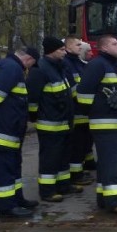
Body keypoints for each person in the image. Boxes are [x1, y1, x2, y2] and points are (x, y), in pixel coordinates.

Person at [76, 35, 117, 215]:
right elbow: (84, 94)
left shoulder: (111, 65)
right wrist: (98, 110)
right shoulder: (98, 65)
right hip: (105, 123)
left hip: (112, 122)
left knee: (107, 163)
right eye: (114, 44)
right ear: (104, 48)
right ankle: (115, 201)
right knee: (114, 163)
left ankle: (104, 197)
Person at [26, 36, 78, 202]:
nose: (64, 52)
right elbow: (33, 99)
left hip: (64, 123)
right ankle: (47, 191)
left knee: (64, 157)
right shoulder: (40, 70)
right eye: (61, 50)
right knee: (50, 159)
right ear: (51, 51)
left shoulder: (59, 67)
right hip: (50, 124)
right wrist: (34, 116)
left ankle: (63, 185)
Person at [0, 46, 40, 218]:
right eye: (32, 64)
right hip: (1, 132)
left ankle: (17, 199)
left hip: (7, 131)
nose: (30, 69)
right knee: (3, 169)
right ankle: (7, 208)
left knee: (12, 167)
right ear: (28, 59)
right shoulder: (12, 68)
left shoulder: (5, 65)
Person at [62, 36, 94, 186]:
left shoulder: (79, 64)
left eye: (81, 45)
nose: (80, 47)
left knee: (84, 144)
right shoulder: (67, 64)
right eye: (77, 45)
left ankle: (79, 171)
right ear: (68, 48)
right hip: (76, 112)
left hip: (85, 112)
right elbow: (74, 89)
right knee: (77, 145)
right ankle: (76, 175)